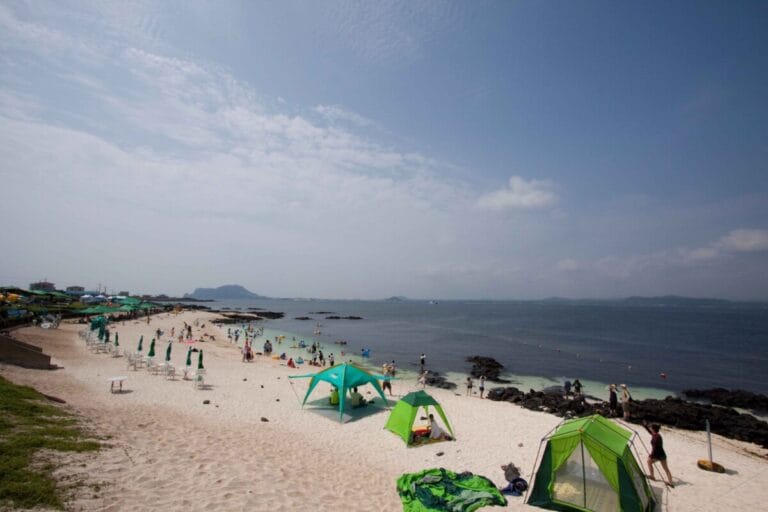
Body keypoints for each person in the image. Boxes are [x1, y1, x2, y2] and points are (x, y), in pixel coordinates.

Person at [644, 421, 674, 487]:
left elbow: (655, 449)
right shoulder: (656, 434)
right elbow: (650, 432)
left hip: (658, 455)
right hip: (662, 455)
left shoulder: (656, 437)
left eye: (650, 427)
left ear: (653, 429)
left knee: (649, 461)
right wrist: (645, 426)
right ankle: (671, 483)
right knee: (666, 469)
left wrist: (651, 455)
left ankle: (652, 476)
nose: (650, 428)